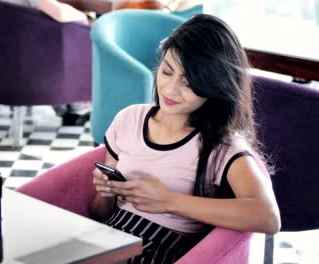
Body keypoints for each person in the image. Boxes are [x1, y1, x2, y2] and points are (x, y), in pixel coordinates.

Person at [91, 14, 281, 263]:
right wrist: (106, 192)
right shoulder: (129, 119)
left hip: (158, 251)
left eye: (189, 83)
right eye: (167, 71)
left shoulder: (221, 147)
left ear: (214, 87)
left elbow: (267, 217)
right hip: (106, 236)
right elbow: (99, 213)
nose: (170, 89)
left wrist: (169, 201)